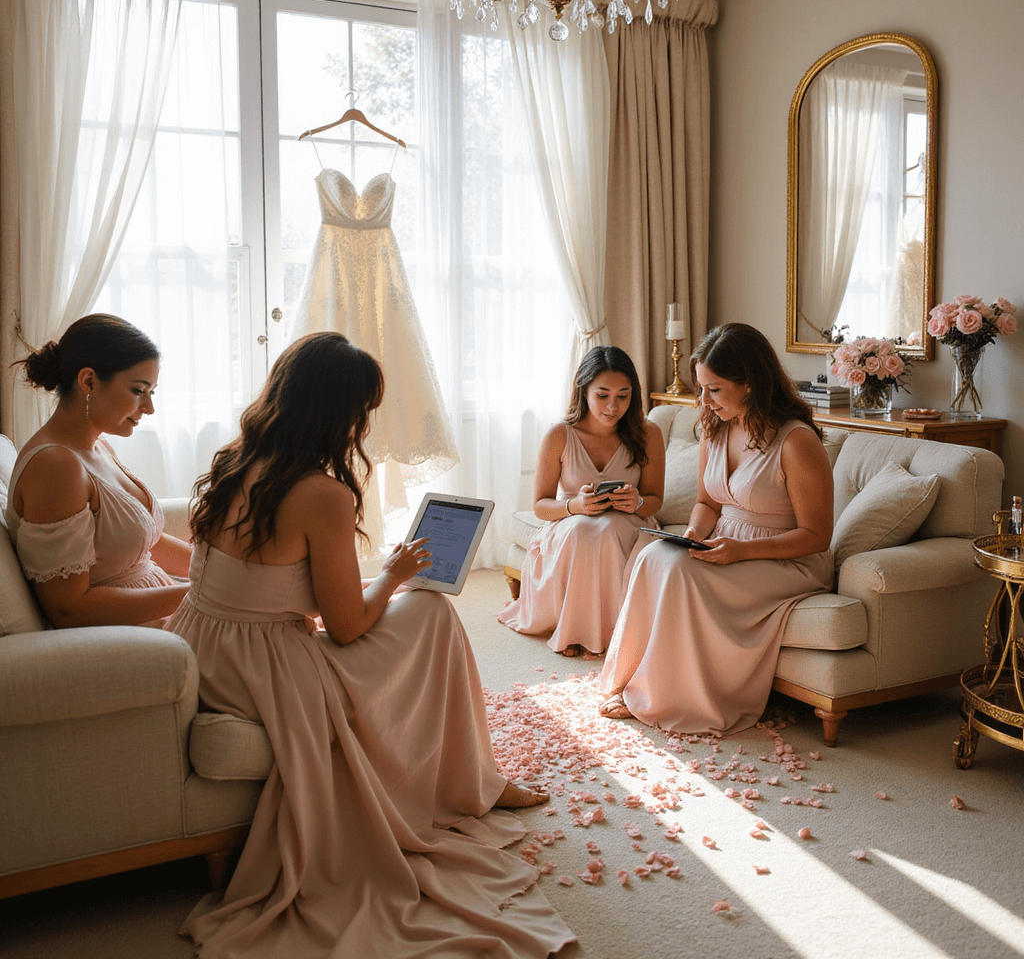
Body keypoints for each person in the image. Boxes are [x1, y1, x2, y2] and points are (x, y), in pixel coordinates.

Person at [166, 332, 574, 959]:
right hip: (265, 670)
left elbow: (276, 589)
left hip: (206, 646)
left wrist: (378, 582)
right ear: (338, 413)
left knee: (411, 607)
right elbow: (346, 628)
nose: (363, 425)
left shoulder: (235, 460)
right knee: (432, 611)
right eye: (362, 411)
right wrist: (393, 574)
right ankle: (473, 781)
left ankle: (474, 777)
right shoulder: (320, 494)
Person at [598, 323, 834, 735]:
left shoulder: (796, 442)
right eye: (702, 388)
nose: (704, 400)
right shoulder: (716, 427)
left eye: (715, 389)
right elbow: (707, 504)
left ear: (750, 384)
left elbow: (817, 536)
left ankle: (671, 696)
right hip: (727, 543)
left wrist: (741, 551)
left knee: (681, 572)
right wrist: (692, 534)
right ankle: (631, 680)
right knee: (653, 556)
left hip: (789, 559)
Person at [5, 315, 190, 628]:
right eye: (138, 390)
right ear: (88, 381)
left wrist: (217, 573)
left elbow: (139, 542)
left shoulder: (98, 445)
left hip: (165, 612)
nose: (149, 408)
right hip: (135, 638)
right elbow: (69, 609)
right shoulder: (55, 467)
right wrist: (198, 595)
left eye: (152, 392)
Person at [498, 346, 665, 656]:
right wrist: (575, 506)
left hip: (628, 524)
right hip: (571, 523)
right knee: (581, 531)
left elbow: (655, 500)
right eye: (602, 395)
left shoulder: (648, 434)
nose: (613, 407)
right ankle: (575, 629)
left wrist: (637, 502)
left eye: (623, 396)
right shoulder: (559, 435)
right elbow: (540, 505)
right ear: (583, 389)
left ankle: (606, 631)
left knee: (606, 531)